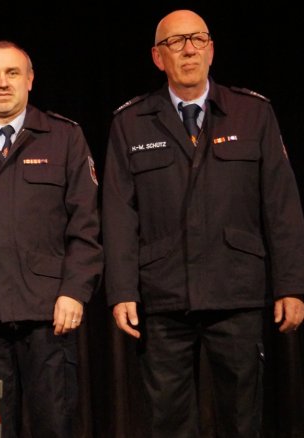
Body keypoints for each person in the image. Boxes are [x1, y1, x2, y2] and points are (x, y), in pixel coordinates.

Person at [103, 9, 304, 437]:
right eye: (175, 42)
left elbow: (281, 206)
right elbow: (119, 214)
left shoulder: (252, 113)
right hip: (163, 296)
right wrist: (122, 290)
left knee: (242, 418)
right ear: (158, 57)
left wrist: (290, 285)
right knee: (169, 421)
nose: (188, 49)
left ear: (211, 50)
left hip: (237, 290)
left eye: (197, 39)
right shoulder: (130, 122)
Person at [0, 41, 102, 437]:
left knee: (55, 427)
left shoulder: (64, 137)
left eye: (12, 73)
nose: (3, 83)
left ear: (30, 80)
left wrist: (75, 291)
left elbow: (86, 225)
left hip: (50, 315)